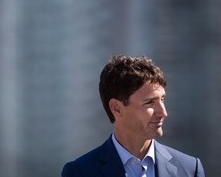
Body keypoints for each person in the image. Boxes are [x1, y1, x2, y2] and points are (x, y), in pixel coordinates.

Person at [62, 54, 205, 177]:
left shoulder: (190, 169)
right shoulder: (80, 172)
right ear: (116, 108)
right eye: (149, 102)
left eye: (162, 100)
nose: (163, 112)